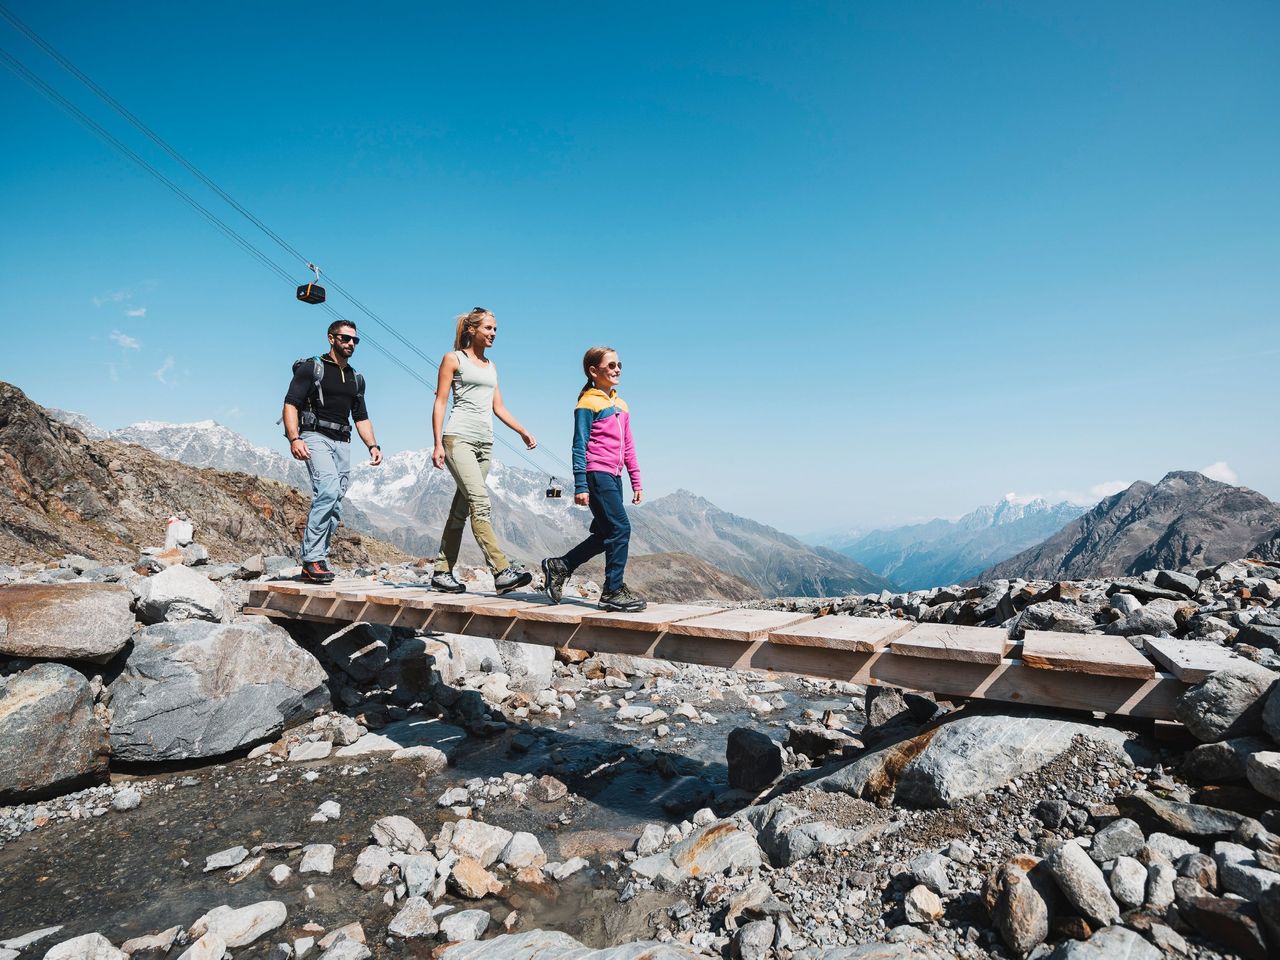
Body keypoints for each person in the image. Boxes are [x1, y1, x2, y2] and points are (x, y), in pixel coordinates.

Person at [428, 307, 536, 594]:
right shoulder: (454, 359)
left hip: (484, 443)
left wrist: (522, 430)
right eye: (488, 328)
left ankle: (441, 571)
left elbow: (497, 406)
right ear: (472, 330)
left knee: (461, 510)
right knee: (480, 502)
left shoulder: (492, 366)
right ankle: (501, 571)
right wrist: (438, 443)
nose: (493, 334)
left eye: (496, 330)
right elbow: (440, 401)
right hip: (458, 438)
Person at [541, 346, 646, 612]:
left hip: (614, 476)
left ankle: (561, 565)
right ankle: (612, 590)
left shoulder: (621, 404)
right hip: (597, 474)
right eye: (610, 366)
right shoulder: (587, 403)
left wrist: (636, 480)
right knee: (620, 529)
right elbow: (579, 445)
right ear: (593, 371)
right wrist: (581, 484)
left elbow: (629, 445)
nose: (617, 369)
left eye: (619, 364)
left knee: (605, 533)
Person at [282, 320, 382, 584]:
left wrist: (373, 445)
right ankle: (311, 558)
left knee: (336, 503)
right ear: (331, 338)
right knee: (326, 490)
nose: (350, 344)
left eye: (354, 340)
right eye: (345, 338)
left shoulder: (356, 378)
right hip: (315, 436)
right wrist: (294, 438)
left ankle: (318, 558)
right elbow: (291, 403)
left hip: (343, 441)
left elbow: (361, 416)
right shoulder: (311, 368)